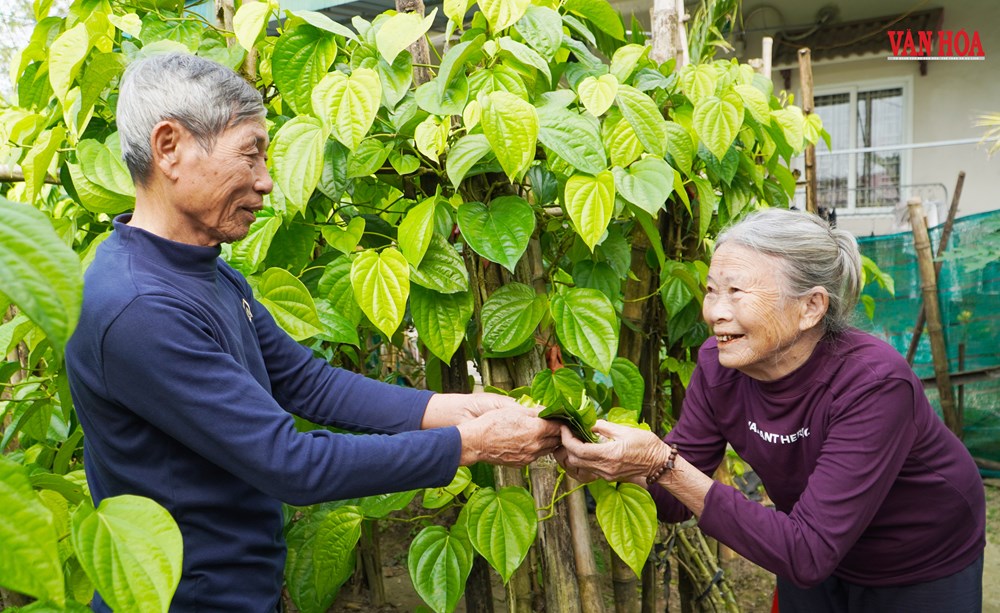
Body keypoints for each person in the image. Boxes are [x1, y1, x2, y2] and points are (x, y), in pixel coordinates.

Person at [64, 52, 561, 613]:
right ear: (169, 147)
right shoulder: (139, 307)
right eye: (250, 153)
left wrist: (452, 409)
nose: (266, 181)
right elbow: (290, 463)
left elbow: (306, 383)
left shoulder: (202, 270)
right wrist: (470, 445)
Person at [556, 208, 985, 612]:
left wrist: (661, 463)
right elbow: (675, 502)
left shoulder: (873, 384)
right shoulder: (718, 367)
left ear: (810, 307)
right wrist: (605, 457)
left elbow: (806, 552)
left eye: (737, 292)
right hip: (806, 543)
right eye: (711, 290)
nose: (715, 312)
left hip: (918, 557)